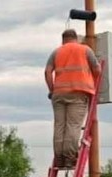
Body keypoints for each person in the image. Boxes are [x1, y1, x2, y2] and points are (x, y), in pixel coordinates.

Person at [44, 29, 101, 169]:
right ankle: (69, 158)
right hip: (78, 92)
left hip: (58, 93)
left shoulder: (56, 52)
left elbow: (47, 71)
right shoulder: (85, 50)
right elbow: (97, 70)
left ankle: (59, 158)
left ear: (63, 39)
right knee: (73, 126)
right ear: (76, 38)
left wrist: (52, 90)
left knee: (59, 126)